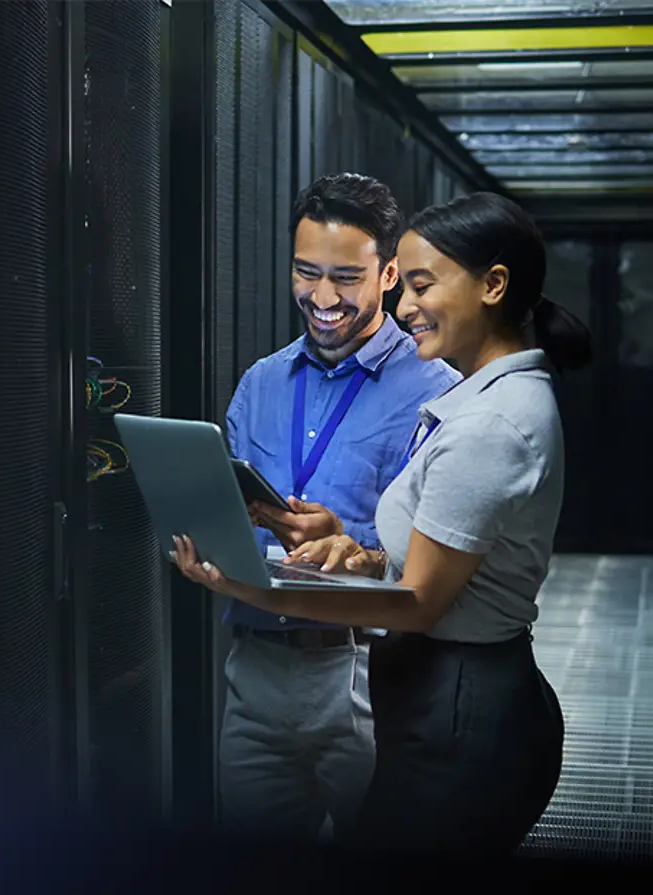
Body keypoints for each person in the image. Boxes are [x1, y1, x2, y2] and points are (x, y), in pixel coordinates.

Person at [173, 191, 594, 856]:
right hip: (415, 687)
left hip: (433, 688)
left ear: (493, 286)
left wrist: (243, 584)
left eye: (419, 284)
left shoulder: (481, 418)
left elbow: (419, 603)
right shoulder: (481, 399)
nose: (406, 309)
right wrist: (353, 548)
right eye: (307, 272)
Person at [216, 173, 461, 843]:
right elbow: (232, 517)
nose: (321, 298)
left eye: (346, 278)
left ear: (388, 276)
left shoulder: (438, 392)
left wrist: (348, 541)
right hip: (255, 666)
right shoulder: (260, 383)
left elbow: (435, 565)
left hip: (366, 673)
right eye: (306, 273)